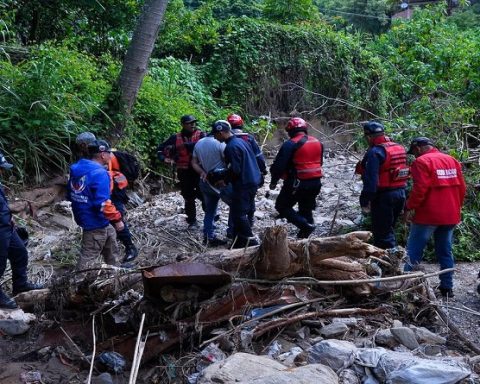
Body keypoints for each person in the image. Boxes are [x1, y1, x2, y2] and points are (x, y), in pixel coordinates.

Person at [403, 137, 466, 298]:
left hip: (427, 216)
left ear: (417, 148)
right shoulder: (451, 160)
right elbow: (462, 188)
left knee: (413, 252)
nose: (414, 156)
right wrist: (457, 208)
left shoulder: (421, 162)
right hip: (450, 215)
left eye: (414, 152)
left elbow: (420, 189)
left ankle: (406, 287)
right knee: (445, 251)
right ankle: (447, 288)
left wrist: (409, 206)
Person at [75, 133, 138, 263]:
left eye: (82, 145)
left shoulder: (101, 155)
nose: (81, 147)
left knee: (117, 217)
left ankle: (130, 247)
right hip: (101, 190)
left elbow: (100, 176)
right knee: (109, 223)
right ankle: (111, 258)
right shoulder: (90, 156)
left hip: (113, 190)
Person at [68, 140, 123, 270]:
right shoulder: (100, 173)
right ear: (102, 155)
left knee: (110, 236)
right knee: (88, 255)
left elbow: (70, 192)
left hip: (85, 214)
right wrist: (117, 219)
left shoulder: (77, 168)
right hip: (94, 220)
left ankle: (115, 269)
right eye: (109, 153)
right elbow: (103, 203)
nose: (111, 156)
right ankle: (78, 282)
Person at [355, 121, 408, 249]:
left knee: (382, 233)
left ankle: (387, 264)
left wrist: (364, 200)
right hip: (401, 193)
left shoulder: (375, 152)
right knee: (389, 229)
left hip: (384, 196)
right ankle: (389, 259)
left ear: (368, 137)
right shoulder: (399, 148)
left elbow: (371, 181)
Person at [0, 153, 43, 309]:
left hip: (6, 227)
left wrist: (10, 218)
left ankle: (21, 285)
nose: (2, 172)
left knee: (20, 253)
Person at [269, 117, 323, 238]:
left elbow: (278, 167)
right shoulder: (317, 142)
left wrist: (273, 182)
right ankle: (305, 238)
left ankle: (306, 227)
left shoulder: (290, 144)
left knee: (282, 206)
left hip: (297, 183)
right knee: (306, 208)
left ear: (290, 131)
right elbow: (320, 162)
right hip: (316, 182)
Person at [211, 120, 261, 248]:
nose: (215, 137)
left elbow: (235, 169)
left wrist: (224, 180)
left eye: (216, 134)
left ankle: (251, 240)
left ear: (221, 132)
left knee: (239, 214)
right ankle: (238, 241)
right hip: (253, 180)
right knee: (242, 210)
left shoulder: (231, 147)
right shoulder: (242, 141)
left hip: (243, 183)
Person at [157, 115, 206, 228]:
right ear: (183, 124)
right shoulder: (175, 137)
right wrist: (164, 158)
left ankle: (210, 218)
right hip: (184, 172)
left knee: (203, 194)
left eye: (194, 122)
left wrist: (184, 146)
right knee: (188, 197)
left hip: (199, 171)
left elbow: (205, 145)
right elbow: (160, 149)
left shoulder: (201, 135)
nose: (193, 125)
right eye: (190, 123)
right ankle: (192, 221)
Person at [191, 134, 230, 246]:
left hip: (206, 181)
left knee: (210, 210)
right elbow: (227, 160)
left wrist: (202, 172)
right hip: (221, 182)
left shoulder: (199, 143)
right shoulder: (220, 143)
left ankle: (208, 236)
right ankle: (232, 233)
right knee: (234, 206)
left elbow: (193, 162)